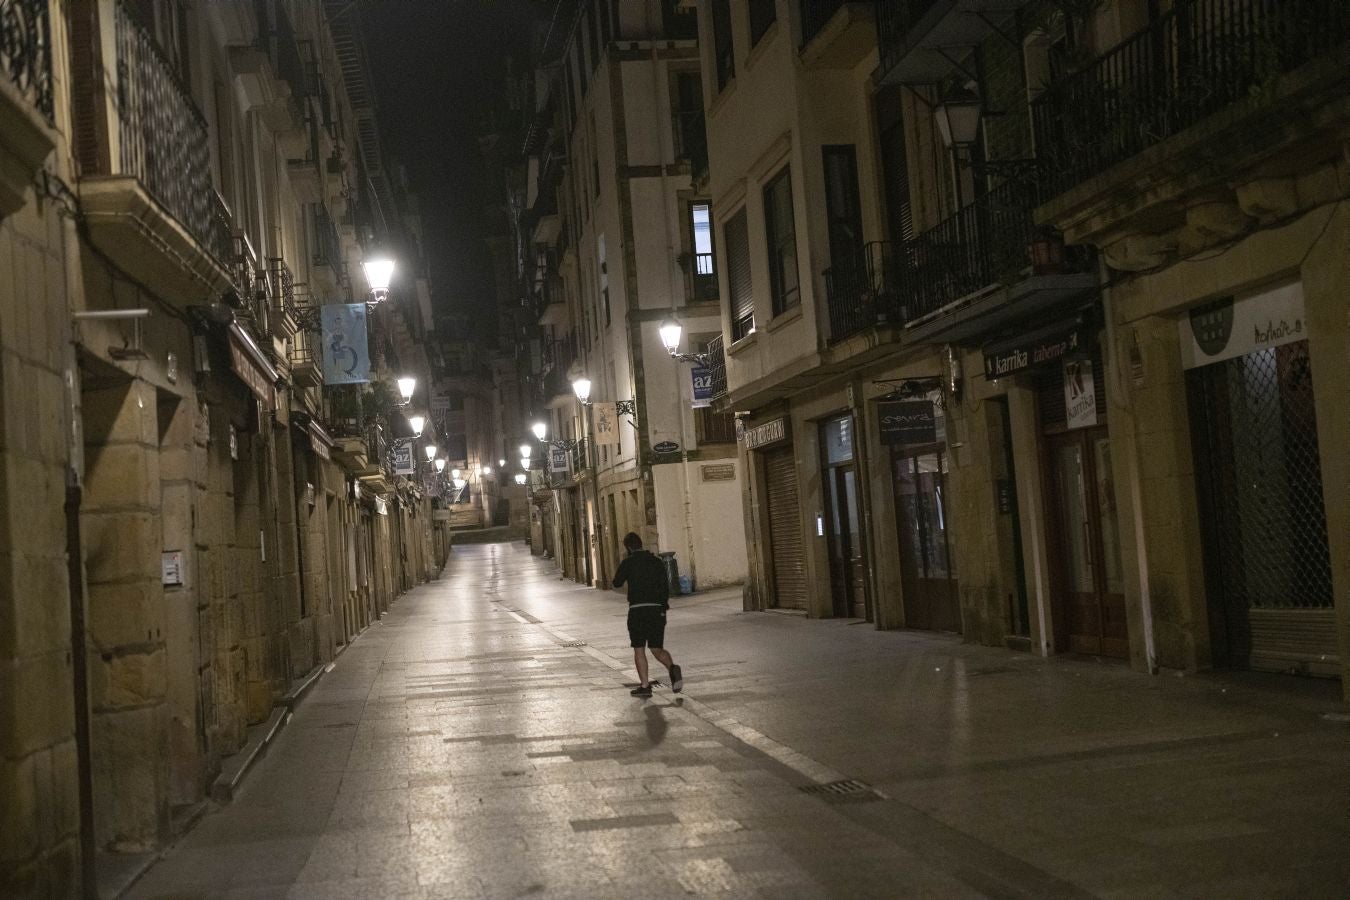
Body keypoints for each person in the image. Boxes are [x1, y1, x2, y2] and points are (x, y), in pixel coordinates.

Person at [612, 532, 682, 698]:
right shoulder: (656, 562)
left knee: (639, 649)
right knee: (657, 648)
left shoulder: (628, 563)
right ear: (641, 544)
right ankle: (672, 668)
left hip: (638, 610)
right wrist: (662, 607)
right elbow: (665, 587)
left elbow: (617, 582)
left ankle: (644, 686)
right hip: (656, 610)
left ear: (628, 547)